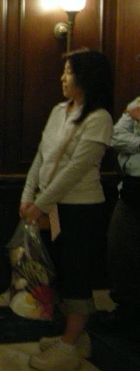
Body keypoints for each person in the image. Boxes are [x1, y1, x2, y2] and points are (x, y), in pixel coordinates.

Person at [19, 49, 113, 371]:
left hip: (80, 211)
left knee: (76, 273)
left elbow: (74, 171)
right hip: (52, 208)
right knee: (56, 269)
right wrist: (27, 195)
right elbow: (41, 157)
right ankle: (75, 336)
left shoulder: (99, 119)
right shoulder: (60, 110)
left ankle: (70, 344)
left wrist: (39, 204)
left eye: (69, 72)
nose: (62, 77)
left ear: (86, 78)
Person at [93, 95, 140, 331]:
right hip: (132, 191)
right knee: (119, 249)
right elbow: (116, 136)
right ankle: (126, 311)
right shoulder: (137, 103)